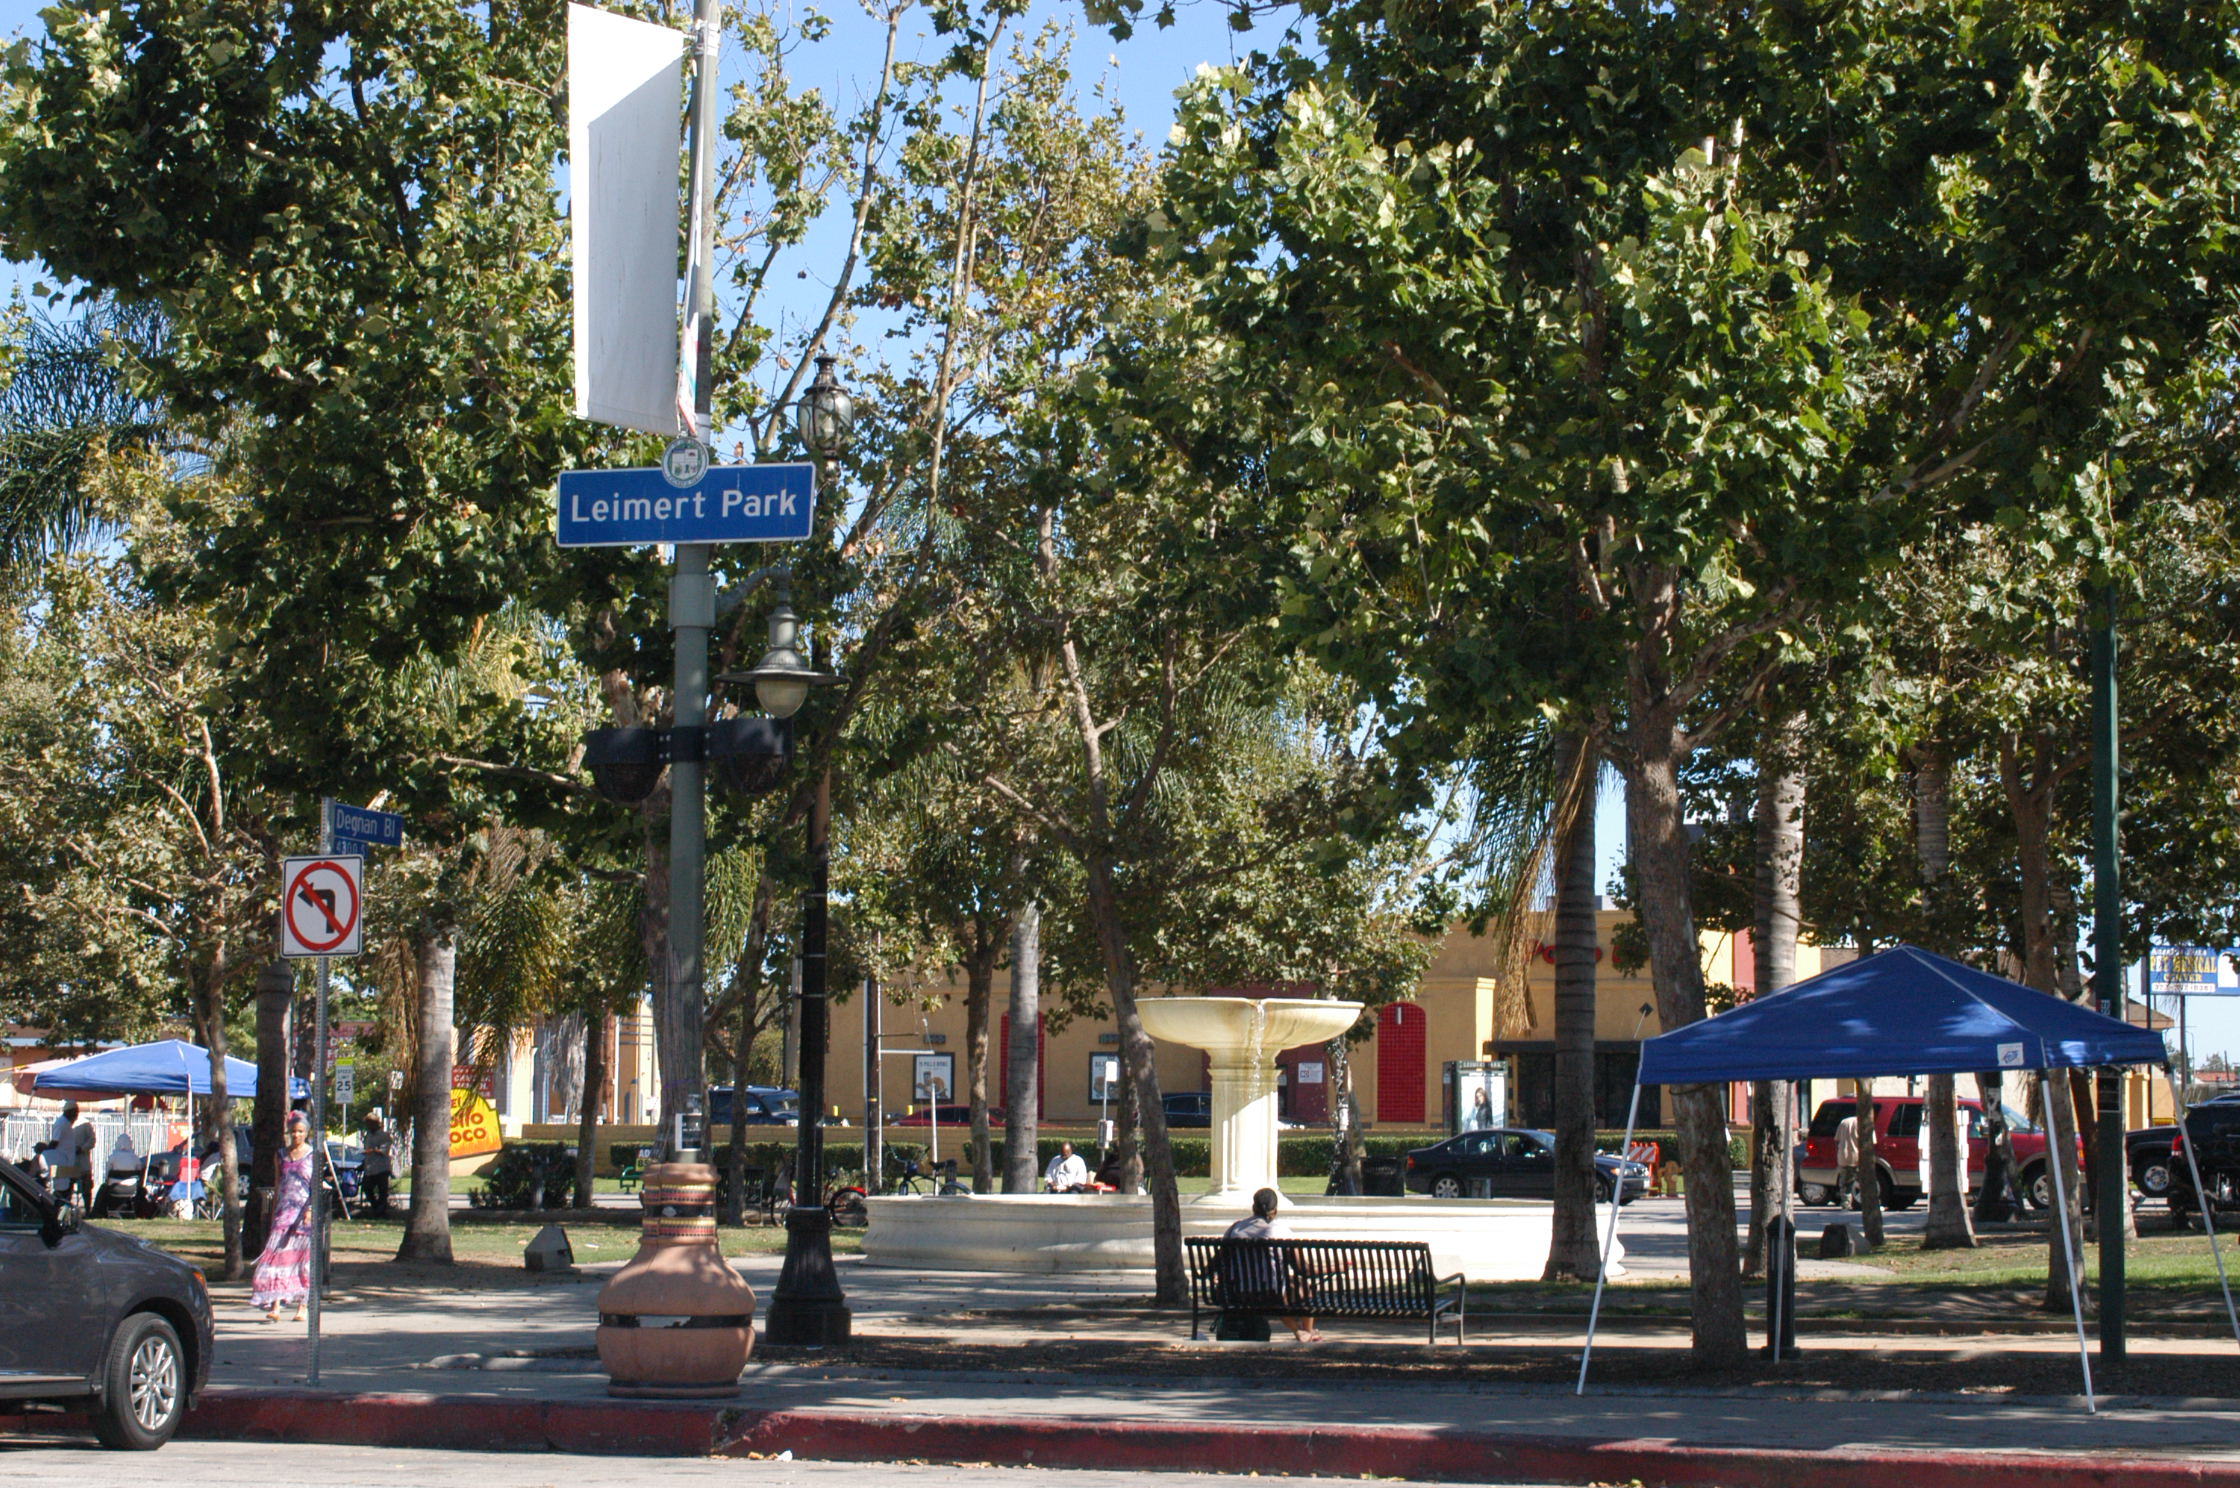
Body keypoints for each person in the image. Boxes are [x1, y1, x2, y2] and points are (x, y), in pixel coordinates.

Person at [1221, 1187, 1322, 1343]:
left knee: (1283, 1286)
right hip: (1272, 1294)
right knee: (1300, 1285)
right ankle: (1306, 1331)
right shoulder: (1280, 1231)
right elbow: (1302, 1269)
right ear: (1274, 1211)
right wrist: (1336, 1268)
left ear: (1253, 1208)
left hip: (1239, 1292)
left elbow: (1220, 1260)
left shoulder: (1235, 1229)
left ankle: (1299, 1331)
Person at [251, 1111, 316, 1323]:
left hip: (303, 1212)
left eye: (300, 1132)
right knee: (277, 1257)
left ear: (306, 1133)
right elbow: (279, 1184)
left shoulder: (313, 1155)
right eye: (293, 1132)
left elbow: (314, 1185)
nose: (296, 1135)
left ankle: (302, 1306)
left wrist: (310, 1210)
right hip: (284, 1211)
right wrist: (274, 1212)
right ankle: (275, 1304)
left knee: (301, 1260)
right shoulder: (280, 1155)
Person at [44, 1102, 81, 1203]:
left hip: (67, 1162)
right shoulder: (61, 1123)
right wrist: (44, 1152)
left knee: (68, 1188)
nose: (77, 1116)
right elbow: (55, 1142)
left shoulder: (67, 1124)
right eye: (76, 1113)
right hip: (61, 1162)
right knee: (62, 1190)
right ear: (70, 1112)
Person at [1835, 1112, 1861, 1209]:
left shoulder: (1844, 1122)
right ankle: (1862, 1202)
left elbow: (1837, 1140)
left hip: (1843, 1156)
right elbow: (1871, 1142)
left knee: (1845, 1183)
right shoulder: (1864, 1123)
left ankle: (1846, 1203)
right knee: (1861, 1180)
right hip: (1858, 1156)